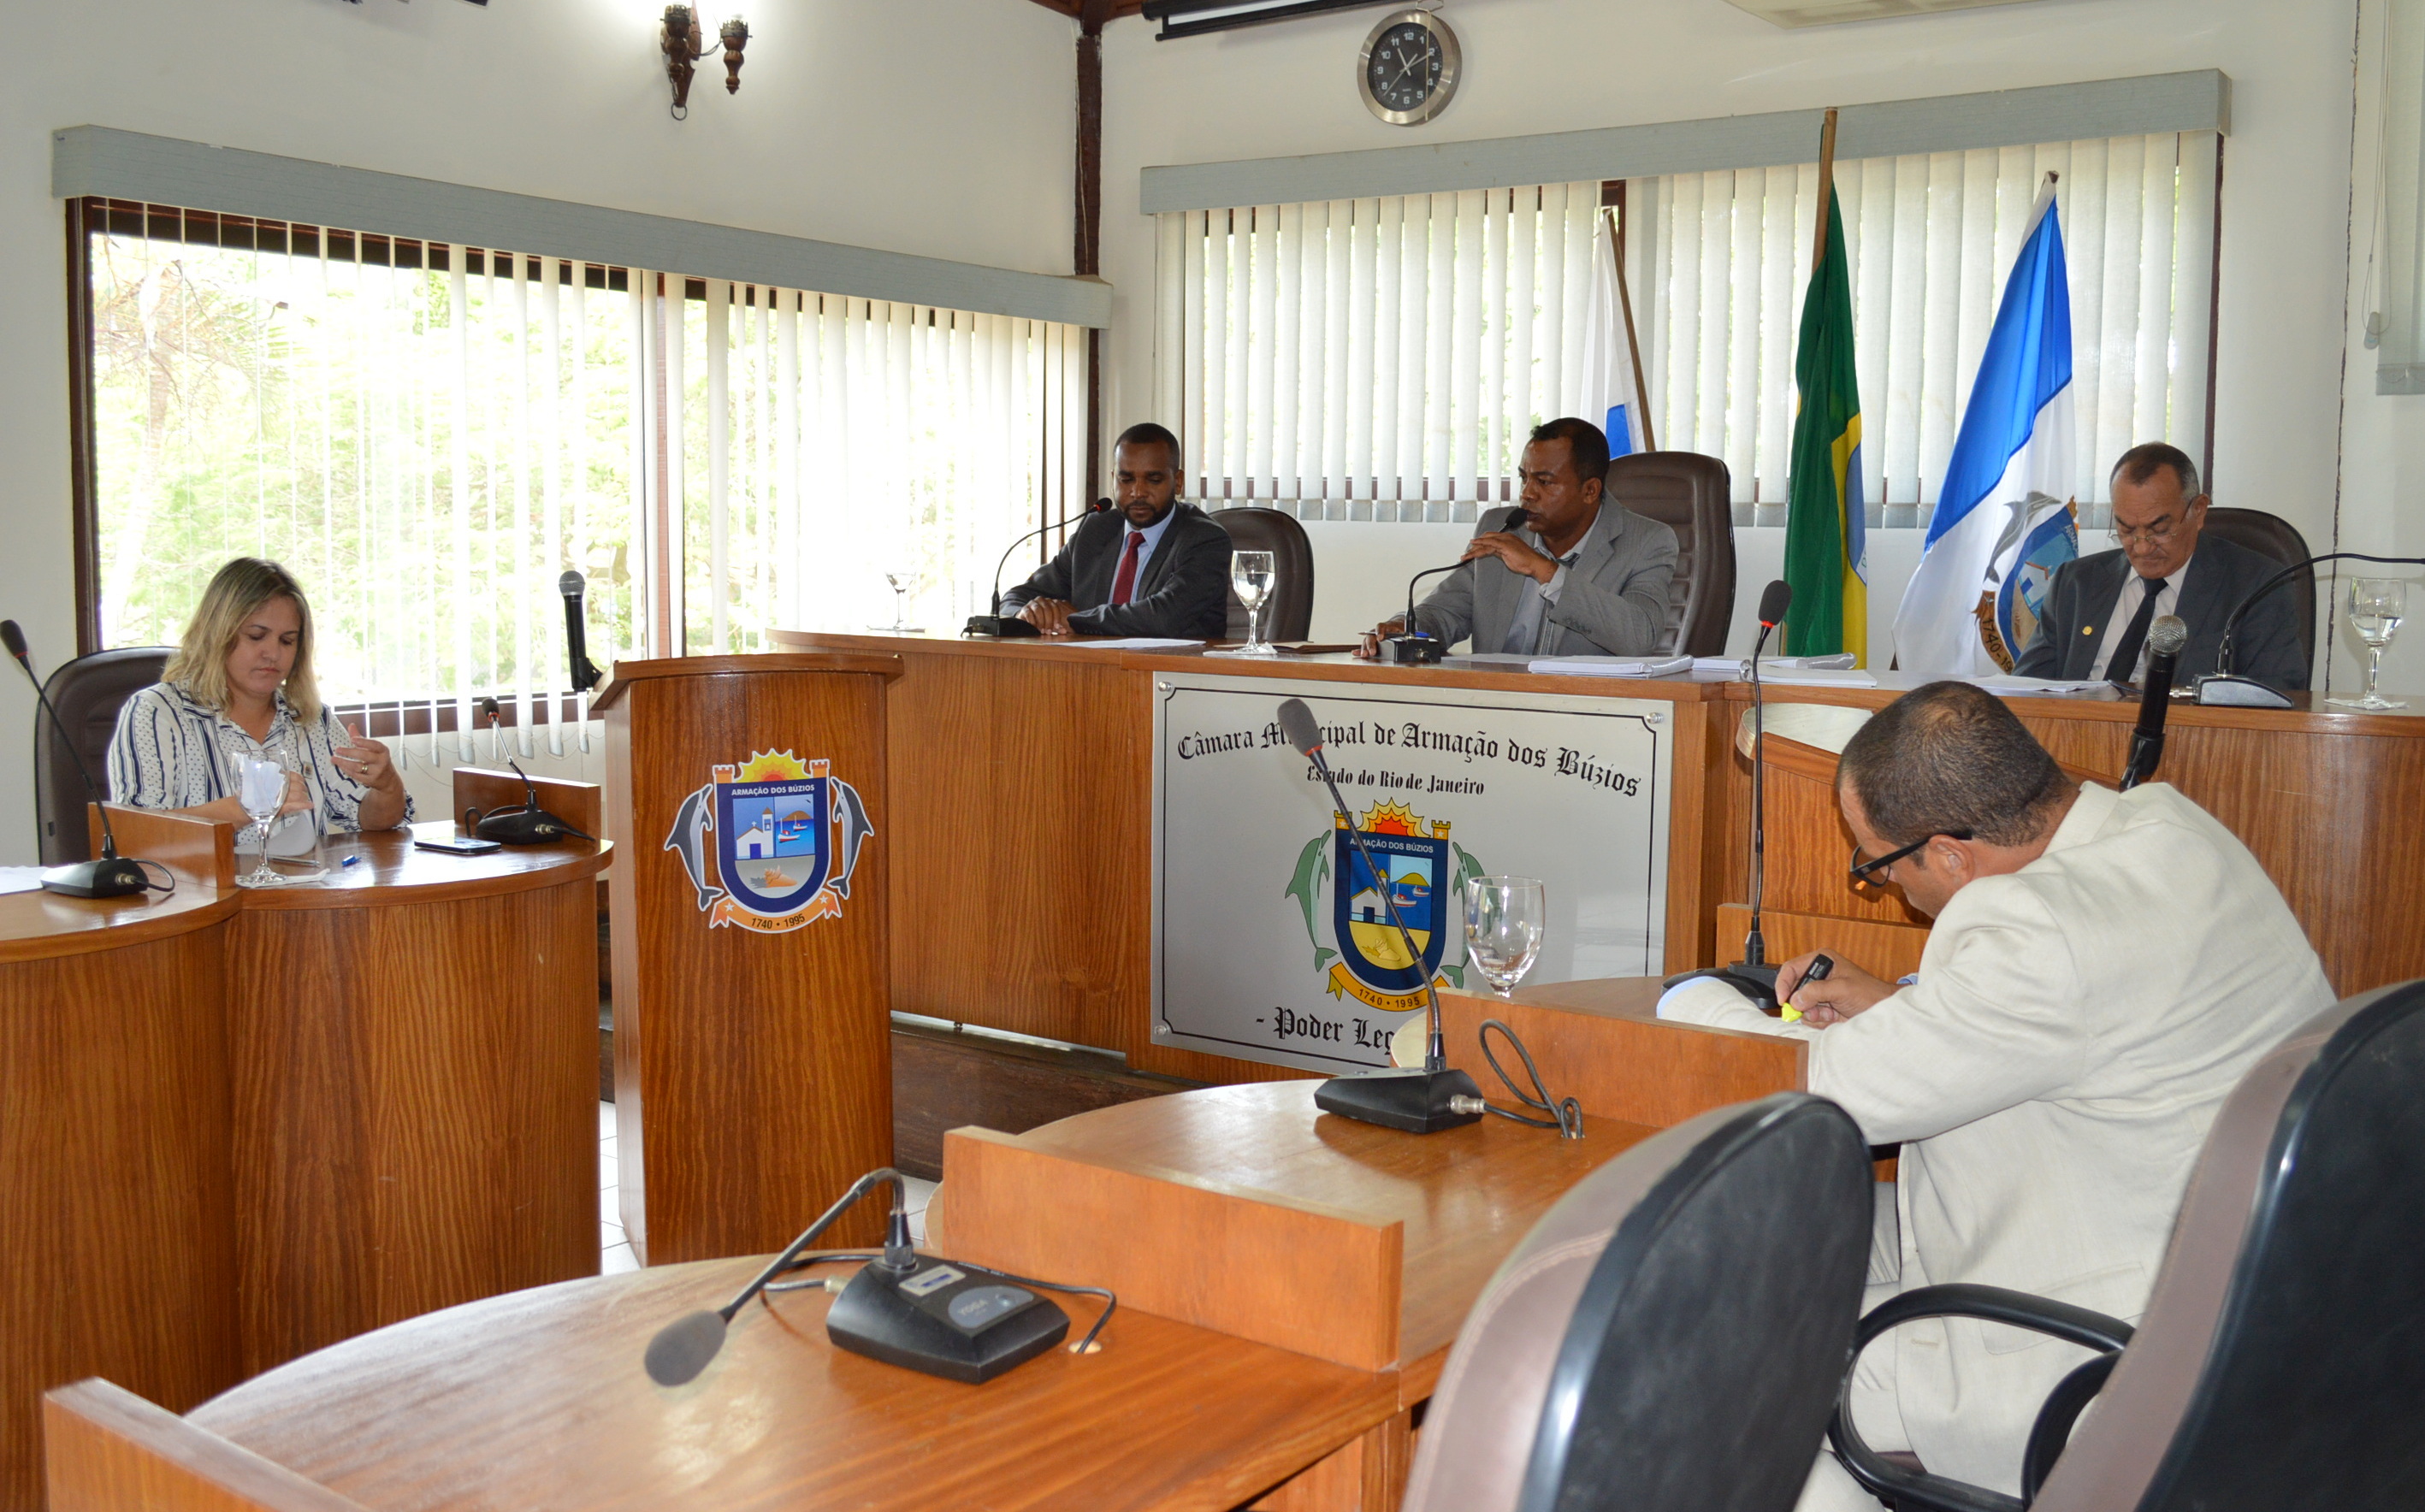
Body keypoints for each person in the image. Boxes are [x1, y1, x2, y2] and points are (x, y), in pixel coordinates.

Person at [1658, 681, 2332, 1511]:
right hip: (2243, 1316)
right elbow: (2070, 1024)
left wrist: (1696, 1001)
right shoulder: (2172, 830)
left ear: (1949, 854)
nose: (1882, 888)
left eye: (1876, 864)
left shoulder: (2032, 932)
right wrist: (1912, 1008)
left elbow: (1817, 1092)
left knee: (1706, 1365)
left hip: (2092, 1370)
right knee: (1771, 1249)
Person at [107, 557, 412, 840]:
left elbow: (367, 820)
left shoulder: (308, 717)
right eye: (256, 636)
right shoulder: (157, 712)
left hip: (303, 891)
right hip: (204, 893)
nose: (273, 653)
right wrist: (245, 808)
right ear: (218, 633)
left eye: (287, 641)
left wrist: (386, 786)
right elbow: (137, 835)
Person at [1357, 417, 1677, 660]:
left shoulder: (1647, 541)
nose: (1527, 494)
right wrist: (1405, 628)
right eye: (1525, 478)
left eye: (1545, 482)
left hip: (1586, 713)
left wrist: (1546, 572)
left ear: (1590, 490)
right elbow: (1447, 613)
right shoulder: (1500, 527)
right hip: (1498, 708)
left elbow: (1639, 634)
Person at [2013, 442, 2307, 688]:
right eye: (2127, 530)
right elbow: (2027, 689)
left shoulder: (2256, 586)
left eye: (2159, 529)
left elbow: (2276, 698)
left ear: (2199, 511)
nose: (2141, 547)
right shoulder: (2075, 582)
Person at [998, 422, 1234, 640]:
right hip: (1092, 670)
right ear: (1113, 479)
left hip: (1171, 674)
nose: (1137, 492)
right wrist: (1030, 613)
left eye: (1153, 479)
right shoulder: (1096, 530)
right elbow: (1015, 598)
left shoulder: (1204, 539)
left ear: (1178, 481)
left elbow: (1163, 617)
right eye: (1126, 479)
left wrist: (1074, 618)